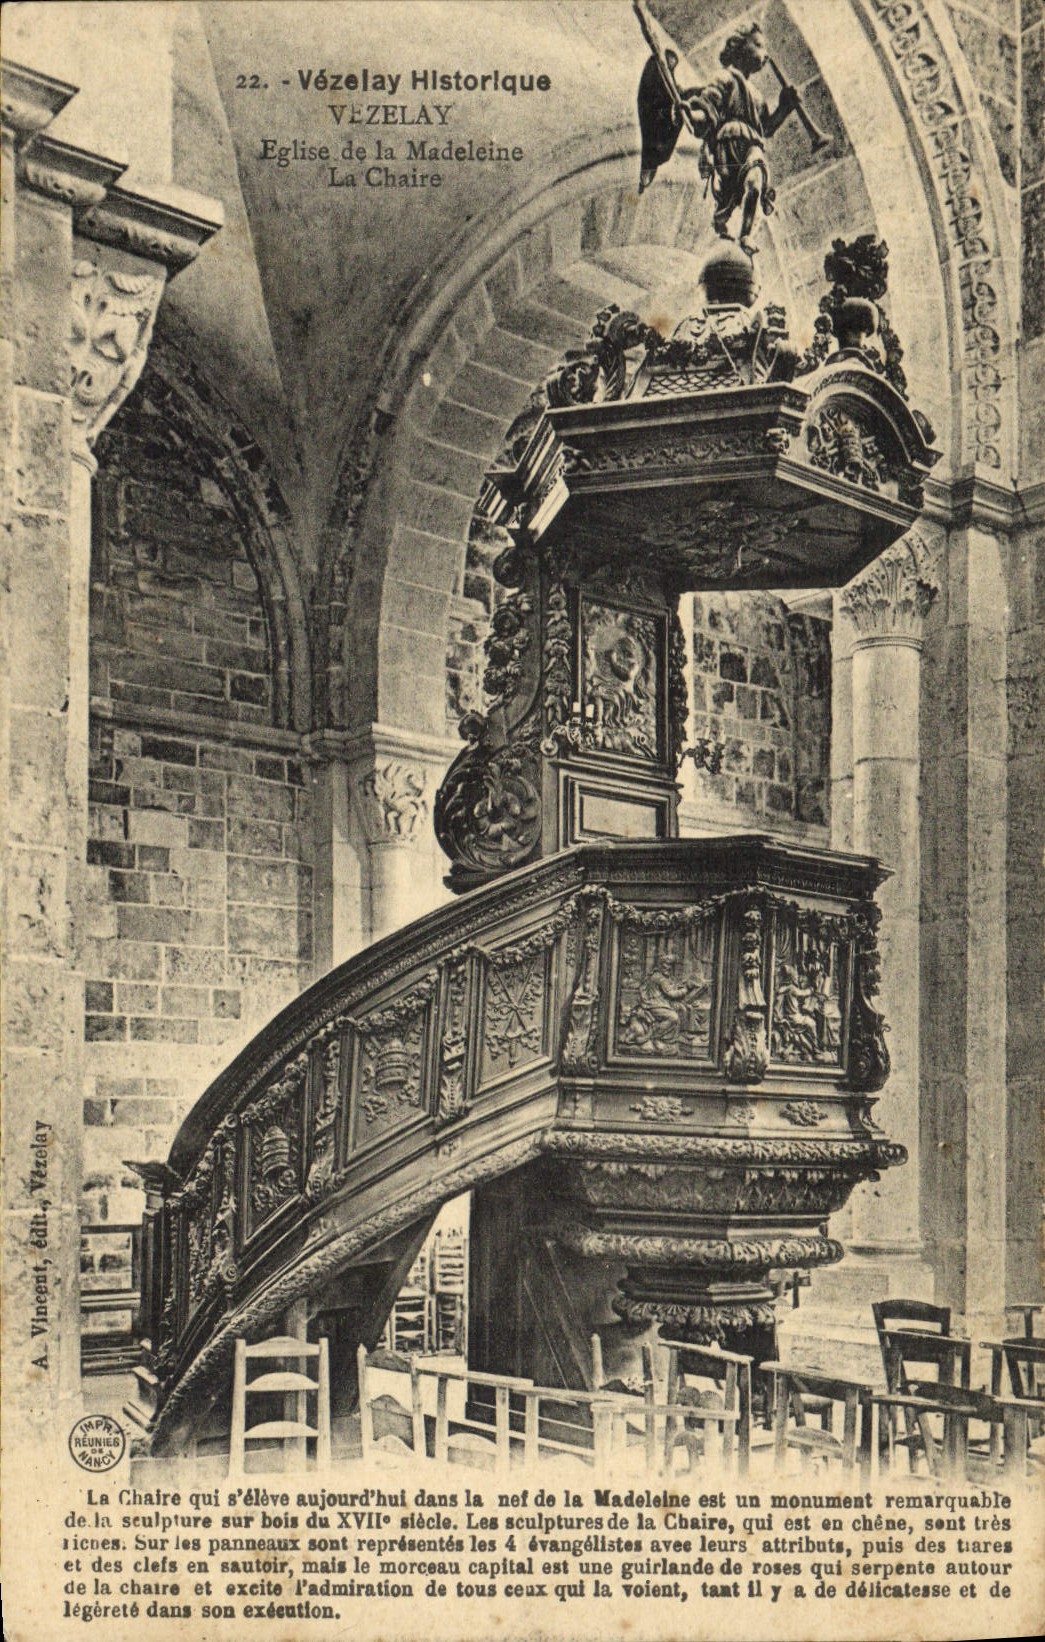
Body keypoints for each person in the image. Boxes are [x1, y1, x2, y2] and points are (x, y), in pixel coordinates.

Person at [638, 23, 800, 255]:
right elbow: (709, 108)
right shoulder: (724, 78)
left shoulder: (758, 96)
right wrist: (691, 115)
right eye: (758, 45)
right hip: (728, 143)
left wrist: (784, 108)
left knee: (756, 179)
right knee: (729, 195)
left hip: (752, 145)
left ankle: (745, 235)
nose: (765, 54)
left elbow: (764, 128)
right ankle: (722, 219)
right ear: (738, 46)